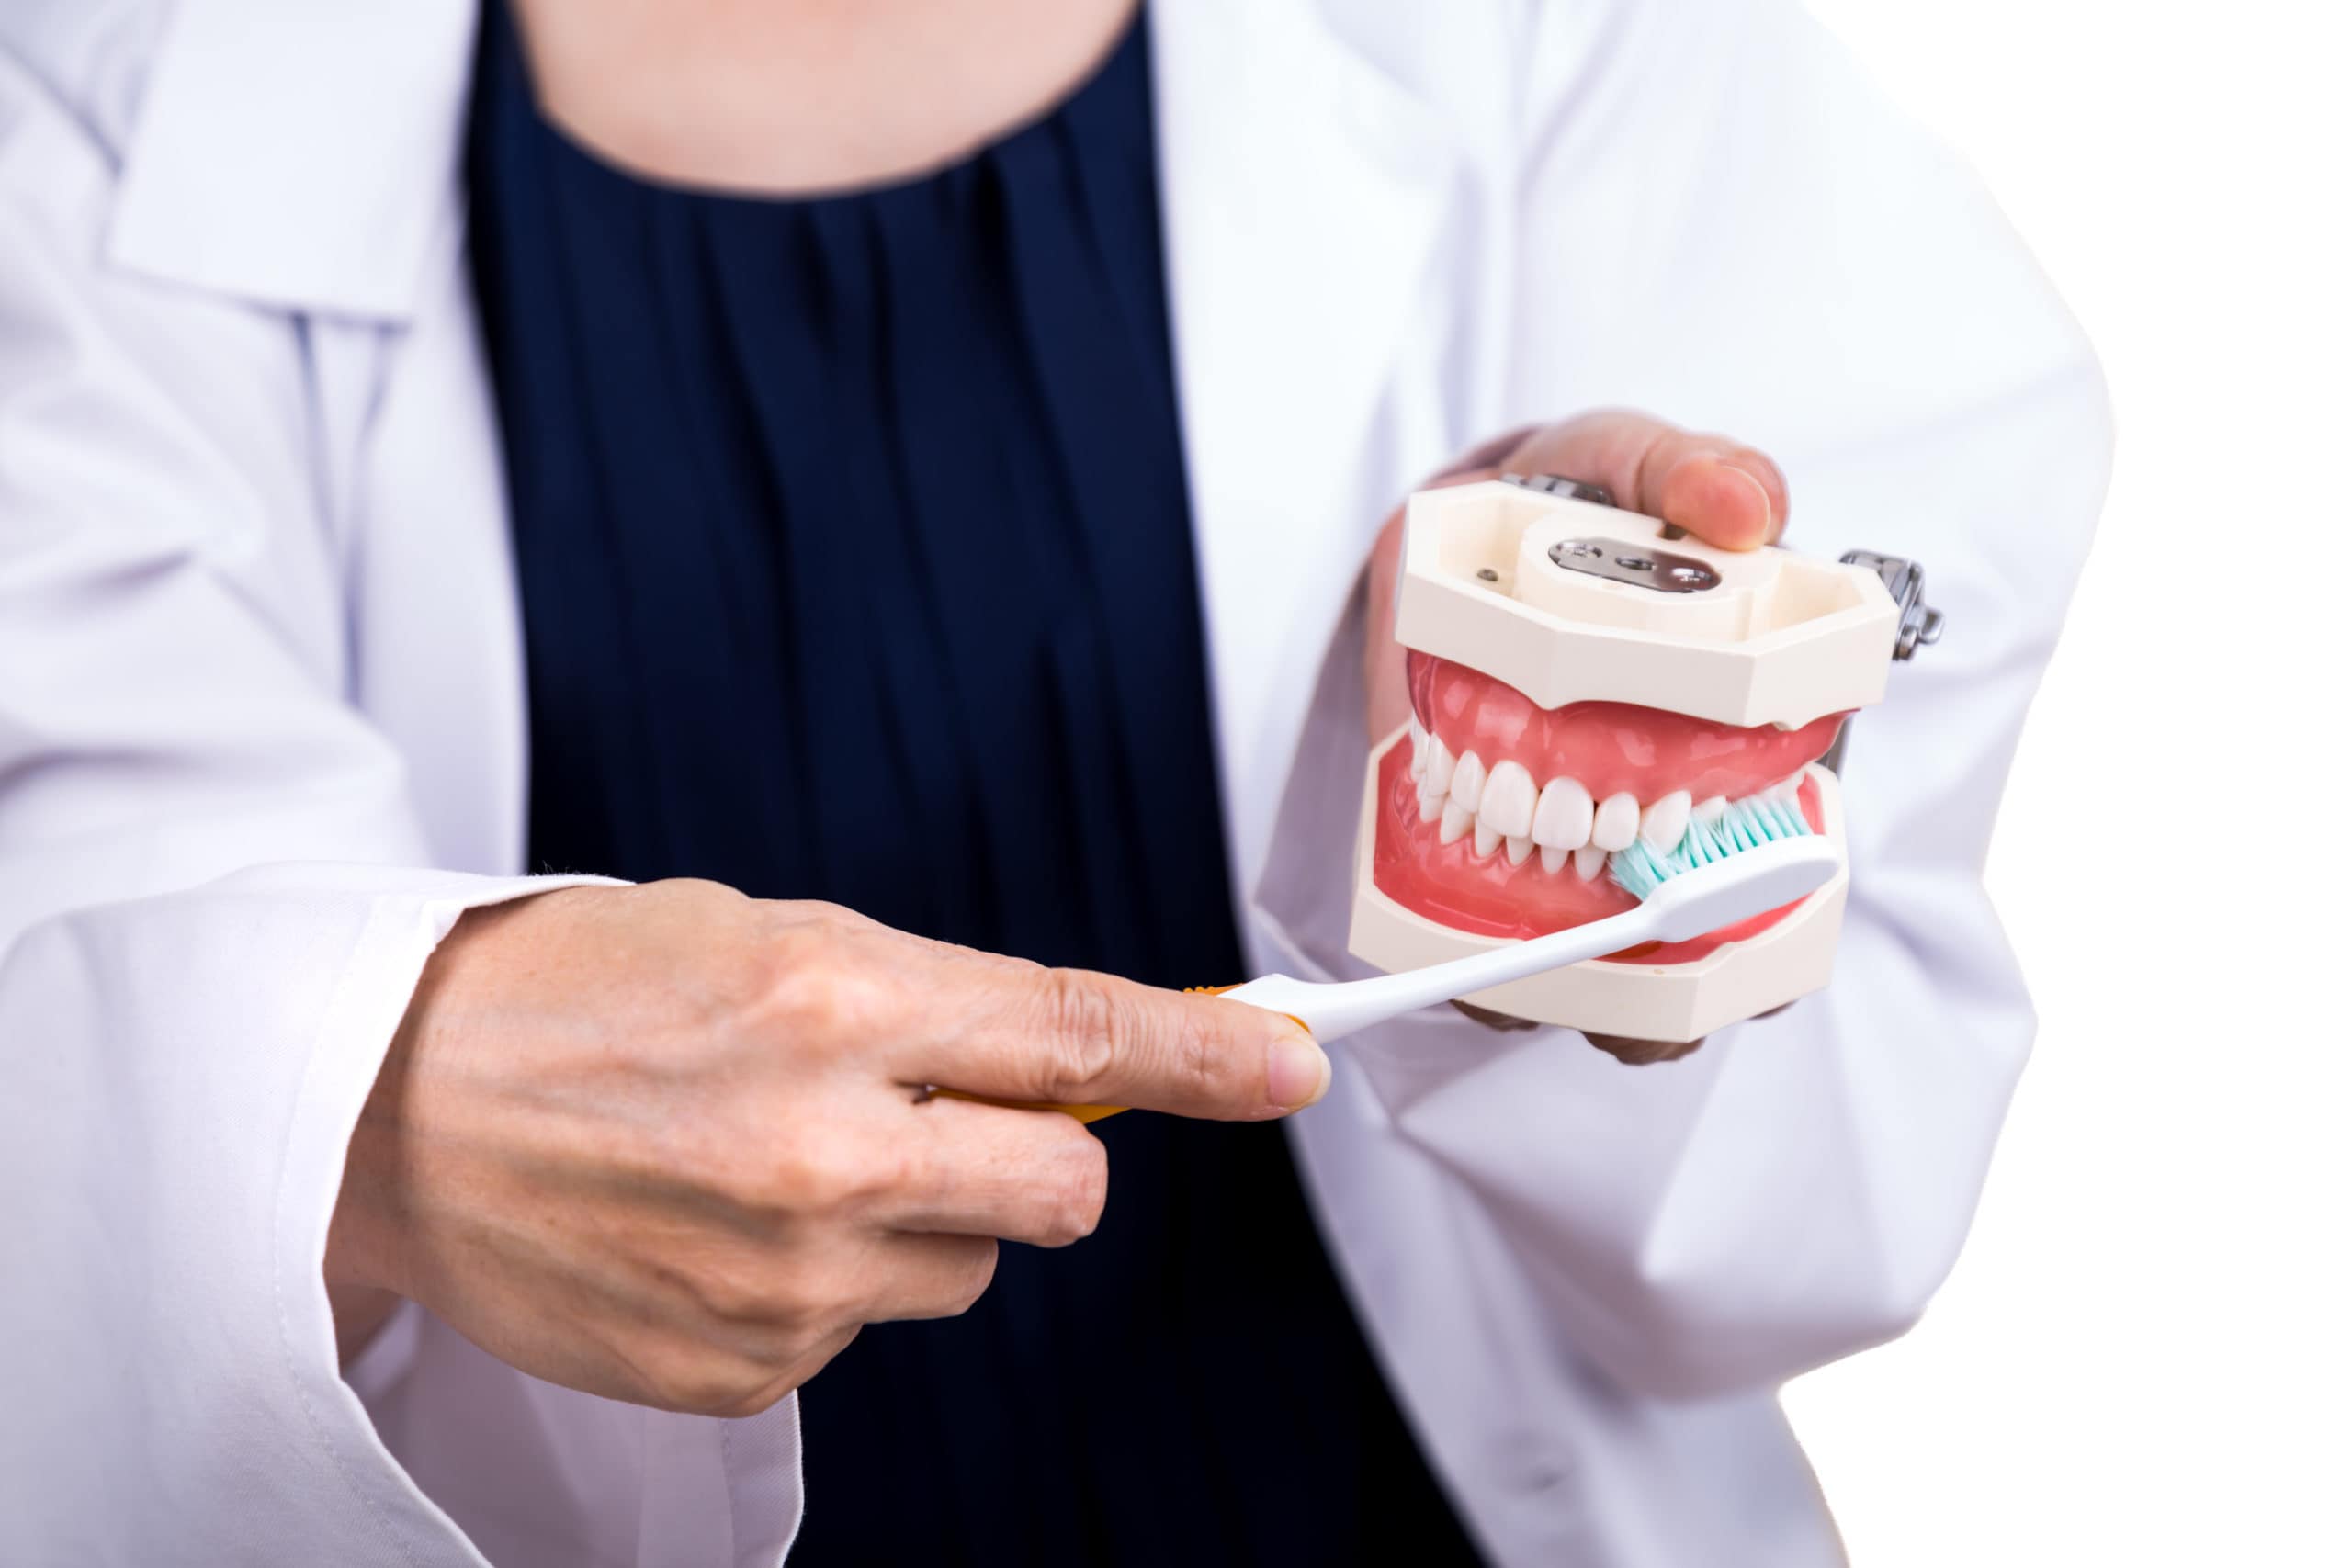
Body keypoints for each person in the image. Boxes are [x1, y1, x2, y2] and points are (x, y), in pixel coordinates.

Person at [0, 1, 2109, 1563]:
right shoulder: (92, 118)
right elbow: (84, 985)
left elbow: (1825, 1200)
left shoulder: (1572, 54)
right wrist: (348, 1108)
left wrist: (1504, 846)